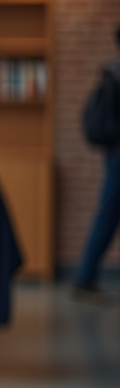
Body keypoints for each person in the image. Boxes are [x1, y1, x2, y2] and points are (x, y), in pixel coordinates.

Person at [72, 27, 120, 303]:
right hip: (118, 158)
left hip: (115, 158)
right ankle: (84, 278)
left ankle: (85, 277)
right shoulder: (115, 78)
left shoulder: (113, 75)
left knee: (107, 217)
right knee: (107, 217)